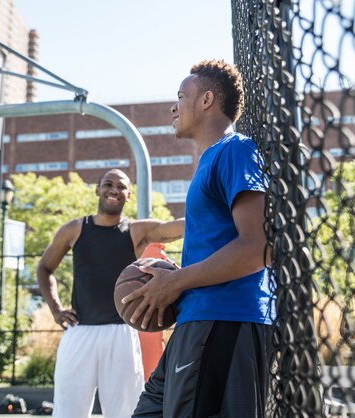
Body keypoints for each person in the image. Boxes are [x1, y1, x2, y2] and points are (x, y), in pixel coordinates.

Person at [124, 59, 276, 418]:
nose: (173, 106)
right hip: (198, 320)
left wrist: (176, 280)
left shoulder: (235, 150)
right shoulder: (210, 161)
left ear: (207, 100)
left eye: (181, 96)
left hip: (225, 320)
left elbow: (258, 248)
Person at [36, 168, 184, 418]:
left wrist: (215, 205)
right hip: (79, 331)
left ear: (129, 195)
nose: (114, 190)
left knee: (125, 413)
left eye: (121, 186)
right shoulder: (74, 229)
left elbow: (179, 226)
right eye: (108, 184)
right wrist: (57, 310)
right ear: (98, 189)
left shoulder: (137, 231)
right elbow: (44, 267)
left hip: (121, 334)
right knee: (67, 412)